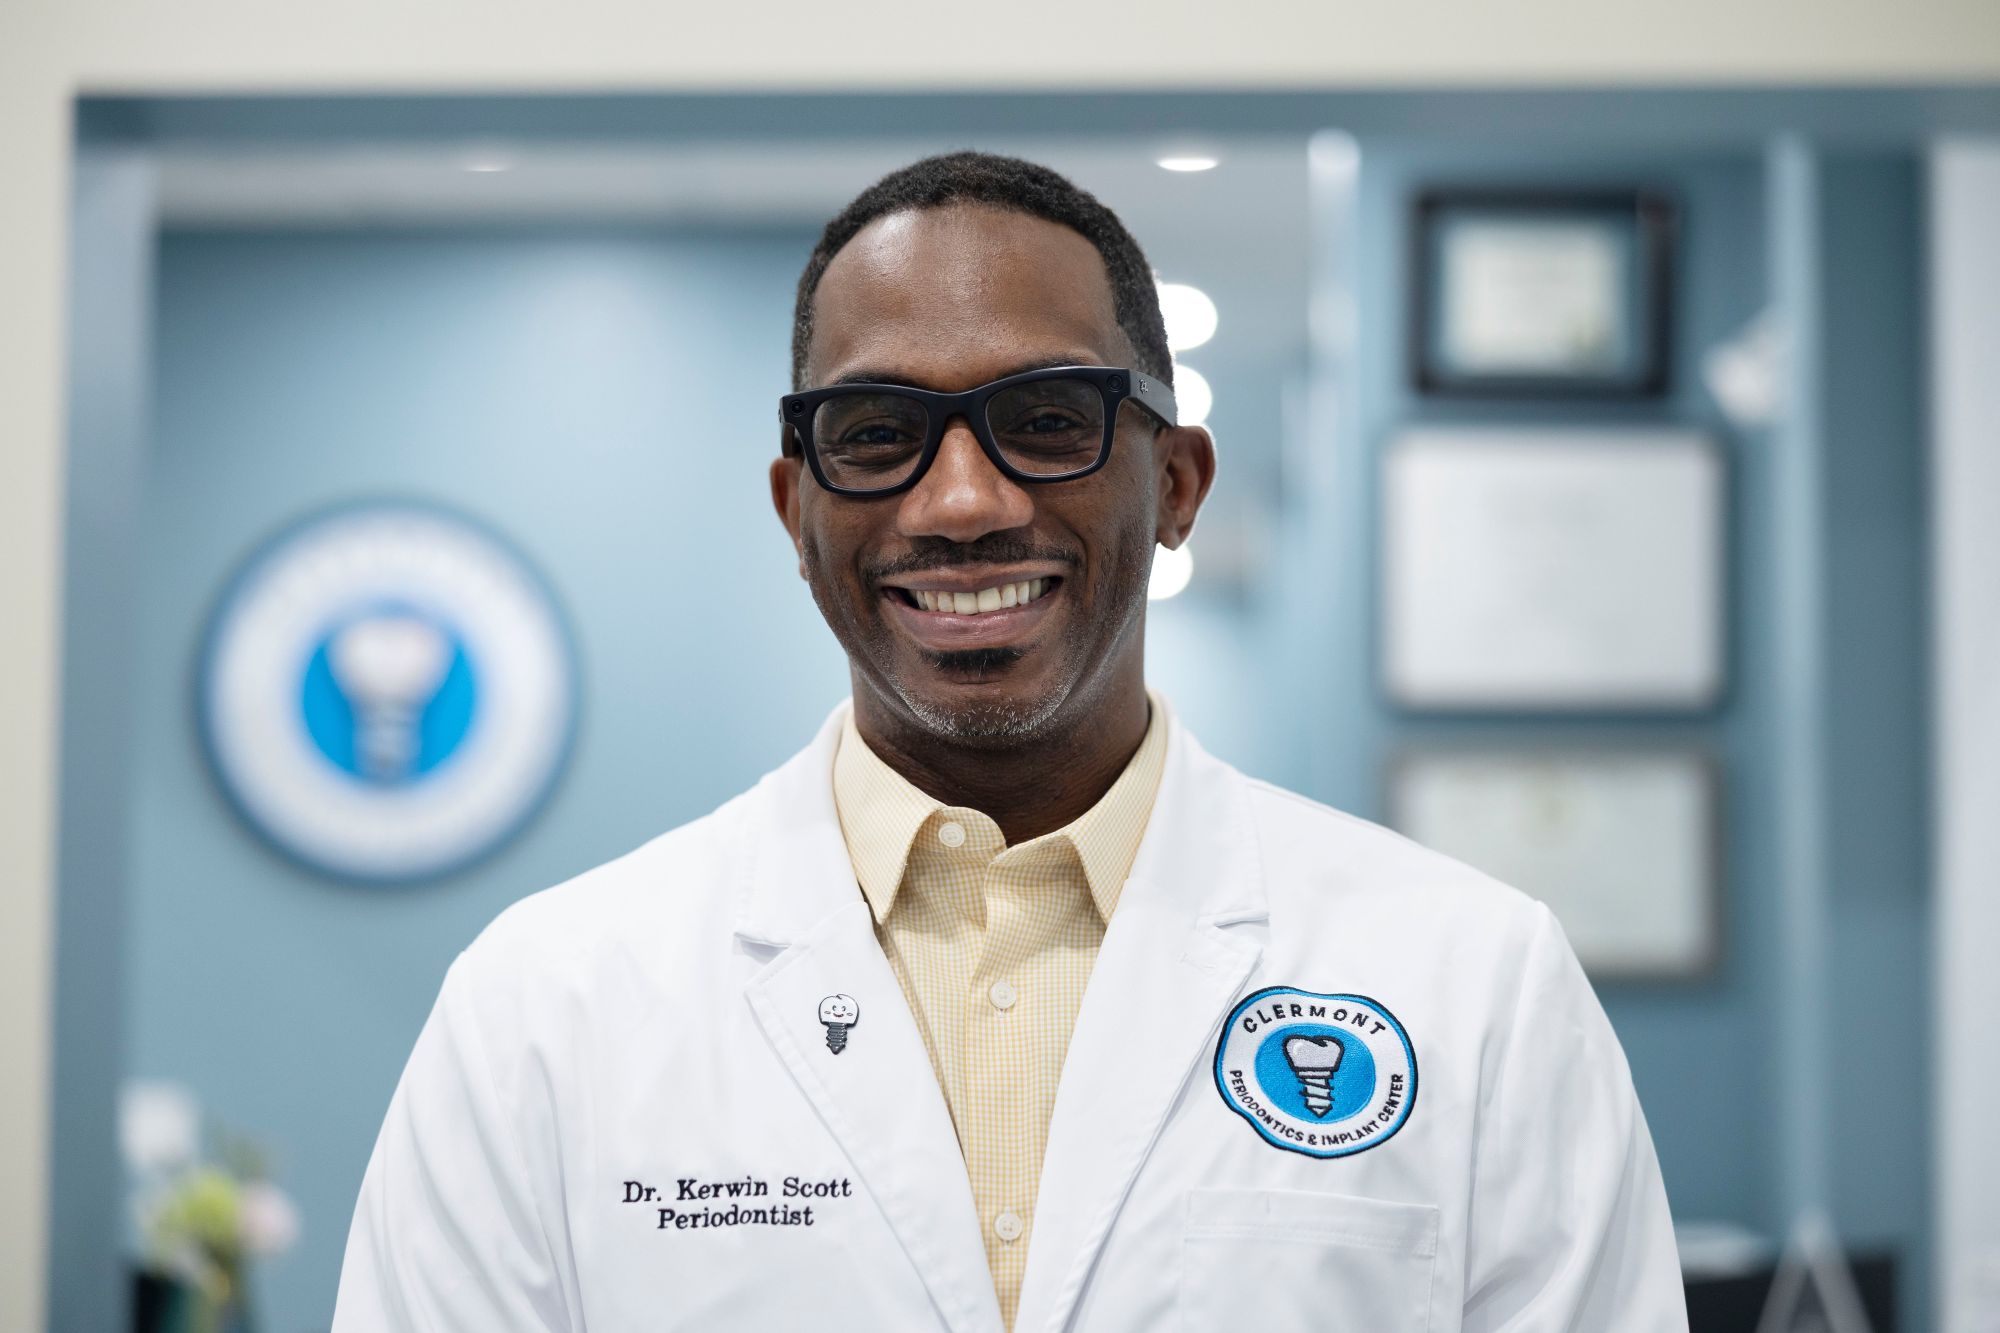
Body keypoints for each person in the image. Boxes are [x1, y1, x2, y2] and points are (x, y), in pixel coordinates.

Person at [332, 151, 1687, 1332]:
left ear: (1177, 484)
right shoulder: (545, 1011)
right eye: (879, 434)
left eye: (1046, 420)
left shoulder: (1474, 985)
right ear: (796, 512)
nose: (963, 501)